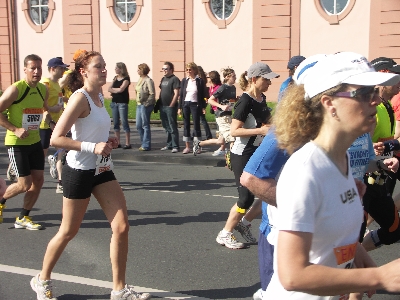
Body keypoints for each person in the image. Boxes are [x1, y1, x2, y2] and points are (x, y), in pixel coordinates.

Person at [264, 51, 400, 299]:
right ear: (329, 103)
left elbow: (329, 232)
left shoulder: (342, 159)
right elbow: (292, 275)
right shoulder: (305, 171)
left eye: (375, 92)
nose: (377, 101)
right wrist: (379, 277)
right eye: (364, 94)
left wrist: (360, 256)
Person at [30, 51, 151, 300]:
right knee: (68, 231)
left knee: (122, 226)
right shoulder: (79, 98)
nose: (104, 70)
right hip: (79, 171)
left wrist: (107, 139)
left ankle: (119, 289)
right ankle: (42, 279)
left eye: (105, 66)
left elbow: (90, 131)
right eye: (99, 67)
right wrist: (92, 146)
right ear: (84, 72)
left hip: (102, 169)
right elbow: (57, 138)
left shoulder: (98, 96)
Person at [215, 62, 279, 249]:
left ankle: (244, 223)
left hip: (256, 151)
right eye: (266, 79)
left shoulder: (261, 98)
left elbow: (266, 121)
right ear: (254, 79)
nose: (269, 82)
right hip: (242, 154)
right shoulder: (244, 101)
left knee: (267, 189)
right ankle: (225, 233)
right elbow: (234, 131)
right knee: (245, 198)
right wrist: (261, 130)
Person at [0, 54, 49, 230]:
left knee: (38, 180)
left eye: (39, 68)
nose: (36, 72)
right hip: (16, 143)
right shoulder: (16, 89)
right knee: (24, 184)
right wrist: (15, 129)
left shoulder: (43, 89)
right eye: (33, 68)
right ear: (25, 70)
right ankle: (1, 200)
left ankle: (23, 217)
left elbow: (43, 111)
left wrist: (54, 123)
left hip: (34, 141)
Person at [359, 57, 400, 252]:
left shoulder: (387, 105)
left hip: (379, 176)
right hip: (362, 181)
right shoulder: (368, 108)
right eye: (395, 77)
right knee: (351, 237)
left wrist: (386, 156)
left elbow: (385, 141)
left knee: (394, 230)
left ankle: (356, 264)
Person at [40, 57, 69, 194]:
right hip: (45, 124)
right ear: (53, 69)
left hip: (57, 123)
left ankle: (60, 182)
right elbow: (42, 105)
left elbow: (57, 100)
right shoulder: (46, 84)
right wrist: (52, 113)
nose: (64, 70)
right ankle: (34, 179)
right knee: (41, 155)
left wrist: (64, 102)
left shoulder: (57, 84)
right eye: (61, 68)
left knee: (61, 151)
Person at [193, 68, 236, 156]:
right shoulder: (223, 87)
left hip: (229, 115)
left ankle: (199, 143)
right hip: (221, 116)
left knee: (220, 141)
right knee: (232, 137)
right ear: (227, 77)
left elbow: (230, 100)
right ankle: (233, 160)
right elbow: (210, 100)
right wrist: (221, 106)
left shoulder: (233, 88)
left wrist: (237, 99)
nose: (235, 78)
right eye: (233, 76)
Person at [178, 62, 205, 154]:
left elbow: (202, 95)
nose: (188, 71)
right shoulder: (184, 80)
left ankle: (197, 146)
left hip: (195, 104)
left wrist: (203, 106)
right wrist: (179, 107)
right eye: (187, 70)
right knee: (186, 125)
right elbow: (181, 95)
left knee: (196, 125)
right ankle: (187, 147)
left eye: (190, 69)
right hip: (186, 103)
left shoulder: (199, 81)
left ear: (194, 70)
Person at [108, 62, 131, 149]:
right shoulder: (115, 78)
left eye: (117, 68)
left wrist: (114, 90)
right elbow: (109, 88)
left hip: (122, 102)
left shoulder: (126, 79)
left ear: (121, 69)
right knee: (115, 123)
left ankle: (128, 143)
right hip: (114, 102)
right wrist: (114, 90)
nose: (115, 69)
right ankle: (117, 142)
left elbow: (121, 89)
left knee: (124, 122)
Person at [159, 61, 180, 153]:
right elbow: (162, 91)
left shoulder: (174, 79)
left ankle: (175, 145)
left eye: (166, 69)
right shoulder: (163, 79)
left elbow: (176, 93)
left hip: (170, 106)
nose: (164, 70)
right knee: (166, 126)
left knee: (172, 126)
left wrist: (172, 104)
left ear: (171, 70)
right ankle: (169, 144)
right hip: (162, 106)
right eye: (163, 69)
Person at [135, 63, 155, 151]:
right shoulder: (140, 79)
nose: (137, 71)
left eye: (139, 69)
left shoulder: (148, 80)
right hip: (139, 104)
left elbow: (152, 93)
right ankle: (143, 142)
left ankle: (146, 144)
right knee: (138, 125)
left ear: (143, 70)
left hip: (145, 105)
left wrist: (147, 103)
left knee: (145, 125)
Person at [196, 66, 213, 140]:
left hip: (201, 99)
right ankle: (208, 135)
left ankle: (207, 135)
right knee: (202, 118)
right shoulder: (203, 78)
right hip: (204, 99)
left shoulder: (199, 79)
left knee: (201, 119)